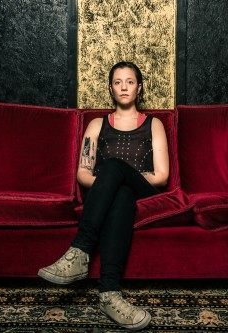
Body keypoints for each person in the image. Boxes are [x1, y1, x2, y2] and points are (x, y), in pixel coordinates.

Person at [38, 61, 169, 330]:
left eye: (130, 82)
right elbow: (83, 175)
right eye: (118, 82)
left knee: (114, 169)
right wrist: (111, 183)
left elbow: (161, 176)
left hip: (144, 193)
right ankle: (109, 294)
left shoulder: (154, 124)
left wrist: (118, 173)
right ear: (111, 88)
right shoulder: (97, 125)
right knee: (119, 193)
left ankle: (80, 251)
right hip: (114, 197)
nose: (124, 87)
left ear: (139, 88)